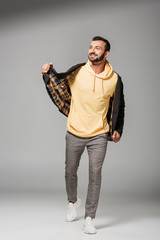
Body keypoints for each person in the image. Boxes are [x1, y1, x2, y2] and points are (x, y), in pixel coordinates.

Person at [41, 36, 125, 234]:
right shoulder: (78, 71)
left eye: (97, 48)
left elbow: (119, 106)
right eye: (90, 47)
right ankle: (73, 201)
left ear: (106, 54)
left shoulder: (115, 79)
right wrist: (47, 73)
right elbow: (58, 84)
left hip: (99, 134)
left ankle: (89, 217)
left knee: (95, 175)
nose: (92, 51)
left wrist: (118, 129)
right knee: (70, 171)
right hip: (75, 131)